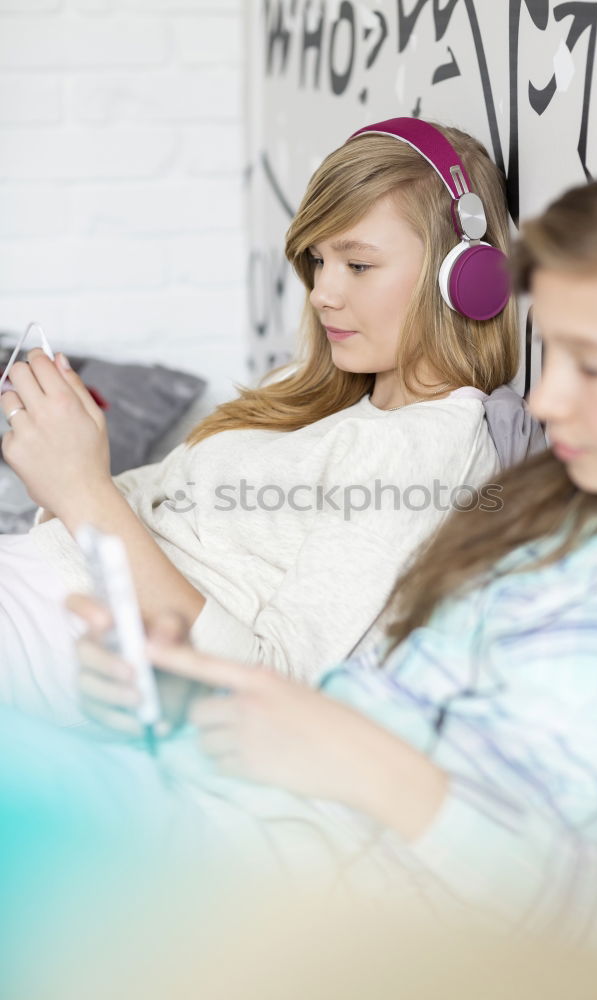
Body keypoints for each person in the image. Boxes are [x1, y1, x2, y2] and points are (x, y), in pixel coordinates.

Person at [1, 153, 597, 949]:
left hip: (309, 892)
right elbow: (357, 704)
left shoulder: (450, 454)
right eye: (319, 261)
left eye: (591, 363)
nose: (545, 397)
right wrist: (178, 696)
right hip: (245, 810)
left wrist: (371, 770)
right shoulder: (560, 518)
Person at [0, 118, 527, 725]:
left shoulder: (425, 448)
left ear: (465, 279)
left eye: (357, 265)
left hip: (70, 645)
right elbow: (141, 507)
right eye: (317, 260)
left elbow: (277, 684)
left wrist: (82, 490)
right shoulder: (302, 390)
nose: (322, 292)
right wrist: (60, 470)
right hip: (37, 581)